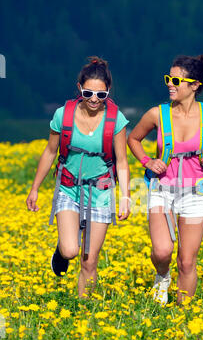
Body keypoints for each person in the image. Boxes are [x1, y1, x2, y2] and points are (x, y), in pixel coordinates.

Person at [127, 53, 203, 306]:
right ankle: (162, 276)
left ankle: (184, 316)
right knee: (162, 251)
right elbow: (133, 139)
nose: (169, 84)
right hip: (161, 189)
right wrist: (147, 161)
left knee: (186, 261)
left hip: (196, 193)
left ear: (195, 85)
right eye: (168, 78)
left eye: (176, 80)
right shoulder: (156, 114)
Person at [26, 56, 130, 298]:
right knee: (72, 249)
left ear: (108, 92)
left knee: (89, 261)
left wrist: (125, 196)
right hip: (68, 188)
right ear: (79, 88)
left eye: (101, 95)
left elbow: (122, 162)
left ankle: (85, 312)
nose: (94, 99)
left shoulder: (116, 120)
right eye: (88, 93)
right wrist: (34, 189)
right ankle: (61, 253)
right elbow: (51, 151)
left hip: (101, 192)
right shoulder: (63, 115)